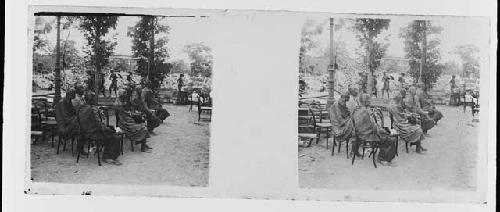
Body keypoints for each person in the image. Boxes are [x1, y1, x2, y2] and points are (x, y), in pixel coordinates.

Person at [351, 94, 397, 165]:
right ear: (365, 101)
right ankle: (382, 159)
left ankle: (383, 157)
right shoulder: (366, 111)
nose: (370, 101)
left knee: (385, 134)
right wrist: (382, 130)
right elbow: (373, 126)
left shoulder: (357, 109)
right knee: (389, 139)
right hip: (367, 134)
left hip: (360, 133)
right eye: (369, 100)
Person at [77, 97, 123, 165]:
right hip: (94, 132)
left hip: (85, 132)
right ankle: (108, 157)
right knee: (115, 137)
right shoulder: (92, 110)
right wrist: (108, 128)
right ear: (92, 100)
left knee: (111, 132)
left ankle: (107, 154)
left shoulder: (82, 108)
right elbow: (97, 124)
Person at [114, 88, 152, 153]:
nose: (125, 95)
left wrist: (133, 113)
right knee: (144, 127)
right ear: (120, 95)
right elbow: (126, 114)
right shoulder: (118, 104)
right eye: (124, 93)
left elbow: (128, 112)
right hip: (124, 123)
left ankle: (141, 142)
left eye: (125, 93)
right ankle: (142, 147)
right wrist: (133, 114)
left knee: (143, 124)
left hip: (128, 120)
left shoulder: (123, 101)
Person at [54, 89, 82, 154]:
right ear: (69, 95)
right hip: (64, 125)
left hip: (68, 122)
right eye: (73, 95)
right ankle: (79, 149)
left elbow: (72, 111)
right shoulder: (62, 103)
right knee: (79, 125)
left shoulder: (68, 101)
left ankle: (80, 148)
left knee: (81, 125)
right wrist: (76, 117)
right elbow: (65, 118)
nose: (73, 97)